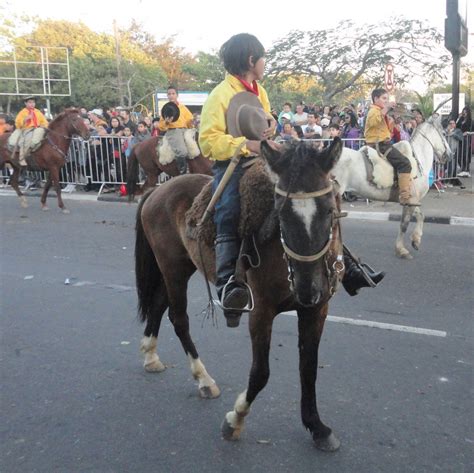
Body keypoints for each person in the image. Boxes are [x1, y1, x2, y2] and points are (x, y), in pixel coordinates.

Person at [199, 33, 385, 323]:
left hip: (266, 158)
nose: (264, 63)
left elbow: (264, 125)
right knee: (229, 210)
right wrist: (246, 145)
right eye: (263, 58)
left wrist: (269, 126)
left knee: (318, 193)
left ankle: (345, 263)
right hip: (233, 164)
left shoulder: (259, 90)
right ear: (251, 60)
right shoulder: (219, 95)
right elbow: (208, 143)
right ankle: (228, 284)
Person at [364, 88, 418, 206]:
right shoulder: (374, 110)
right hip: (380, 145)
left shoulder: (380, 111)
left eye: (387, 99)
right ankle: (404, 197)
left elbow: (386, 129)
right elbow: (374, 122)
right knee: (405, 163)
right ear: (375, 99)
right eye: (384, 98)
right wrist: (387, 108)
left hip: (384, 142)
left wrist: (395, 119)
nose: (386, 101)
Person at [158, 86, 195, 174]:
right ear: (167, 96)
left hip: (185, 130)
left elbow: (189, 120)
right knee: (182, 152)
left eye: (173, 93)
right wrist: (166, 123)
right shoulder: (166, 108)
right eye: (169, 94)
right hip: (173, 131)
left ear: (177, 95)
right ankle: (182, 173)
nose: (171, 96)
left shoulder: (183, 107)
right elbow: (161, 126)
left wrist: (193, 124)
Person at [14, 96, 49, 166]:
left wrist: (43, 125)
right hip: (27, 129)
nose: (32, 104)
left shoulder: (37, 112)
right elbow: (17, 123)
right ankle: (21, 159)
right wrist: (25, 119)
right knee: (27, 141)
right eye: (30, 102)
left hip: (38, 129)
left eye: (33, 102)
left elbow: (44, 122)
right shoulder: (22, 112)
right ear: (25, 103)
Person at [456, 106, 472, 177]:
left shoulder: (471, 121)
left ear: (468, 113)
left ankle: (466, 169)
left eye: (466, 112)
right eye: (463, 112)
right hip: (460, 138)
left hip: (466, 139)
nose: (464, 113)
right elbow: (456, 126)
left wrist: (468, 132)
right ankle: (462, 167)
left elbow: (472, 131)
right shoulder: (461, 119)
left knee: (465, 154)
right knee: (459, 154)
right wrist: (459, 117)